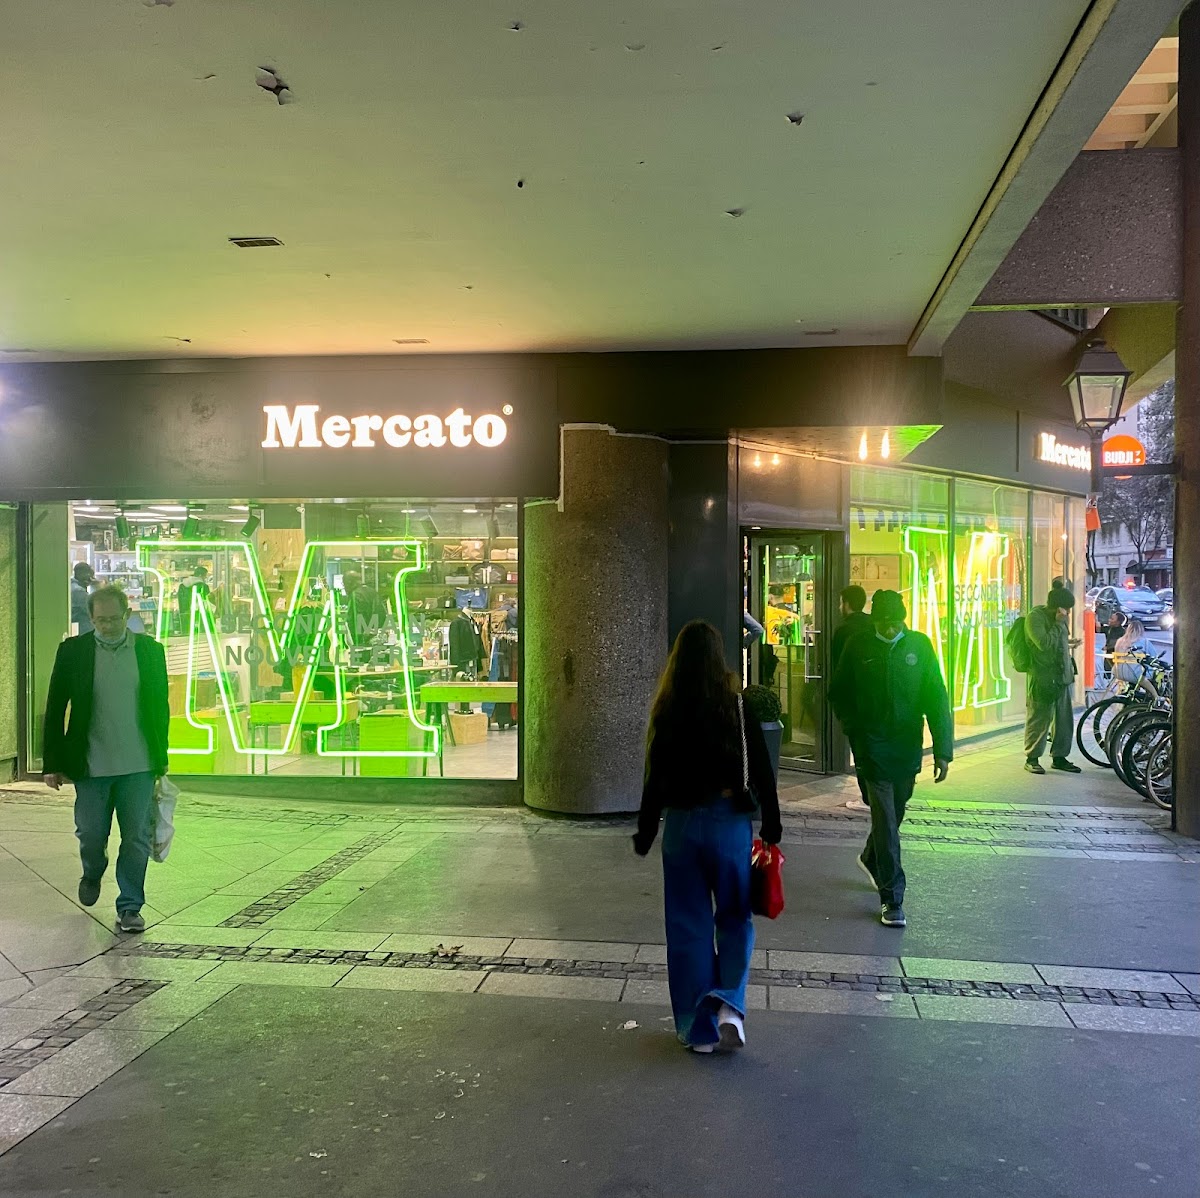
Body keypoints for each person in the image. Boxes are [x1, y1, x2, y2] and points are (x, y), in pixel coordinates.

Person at [634, 621, 782, 1053]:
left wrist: (645, 830)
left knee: (687, 927)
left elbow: (654, 779)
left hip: (682, 827)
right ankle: (730, 1006)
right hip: (728, 825)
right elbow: (764, 773)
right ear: (720, 659)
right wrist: (771, 826)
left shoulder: (668, 709)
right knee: (735, 917)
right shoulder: (737, 707)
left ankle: (698, 1030)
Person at [41, 586, 170, 934]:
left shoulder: (150, 651)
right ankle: (93, 869)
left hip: (138, 764)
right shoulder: (74, 652)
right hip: (91, 763)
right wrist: (51, 763)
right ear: (91, 618)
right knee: (91, 832)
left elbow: (161, 707)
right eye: (101, 620)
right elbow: (55, 708)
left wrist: (162, 757)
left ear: (127, 615)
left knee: (137, 837)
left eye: (114, 619)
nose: (108, 626)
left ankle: (130, 906)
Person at [829, 590, 952, 928]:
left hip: (906, 746)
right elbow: (838, 692)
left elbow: (936, 697)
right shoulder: (858, 645)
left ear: (904, 620)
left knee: (896, 811)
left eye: (895, 623)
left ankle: (870, 857)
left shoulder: (919, 646)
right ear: (874, 621)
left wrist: (943, 749)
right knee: (884, 819)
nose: (889, 629)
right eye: (883, 623)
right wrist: (854, 730)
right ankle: (892, 898)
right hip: (871, 746)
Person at [1023, 585, 1082, 775]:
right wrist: (1058, 624)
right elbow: (1043, 644)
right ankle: (1032, 758)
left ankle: (1060, 757)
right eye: (1067, 609)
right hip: (1042, 676)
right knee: (1040, 718)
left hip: (1062, 676)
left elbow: (1058, 642)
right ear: (1057, 607)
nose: (1068, 613)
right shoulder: (1035, 618)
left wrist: (1069, 642)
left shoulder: (1061, 619)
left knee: (1064, 721)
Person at [831, 585, 874, 812]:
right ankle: (873, 794)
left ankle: (867, 797)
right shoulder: (871, 625)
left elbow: (838, 668)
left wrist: (838, 705)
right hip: (873, 701)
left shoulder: (843, 631)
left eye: (841, 602)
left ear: (846, 604)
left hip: (853, 703)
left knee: (859, 752)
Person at [342, 569, 387, 645]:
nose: (345, 587)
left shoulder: (356, 595)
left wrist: (358, 642)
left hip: (363, 642)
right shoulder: (372, 592)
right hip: (376, 637)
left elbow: (356, 622)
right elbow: (382, 614)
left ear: (350, 582)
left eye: (344, 584)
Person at [70, 562, 96, 634]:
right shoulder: (78, 591)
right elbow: (94, 610)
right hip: (83, 631)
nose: (91, 578)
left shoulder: (72, 586)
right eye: (90, 575)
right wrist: (99, 588)